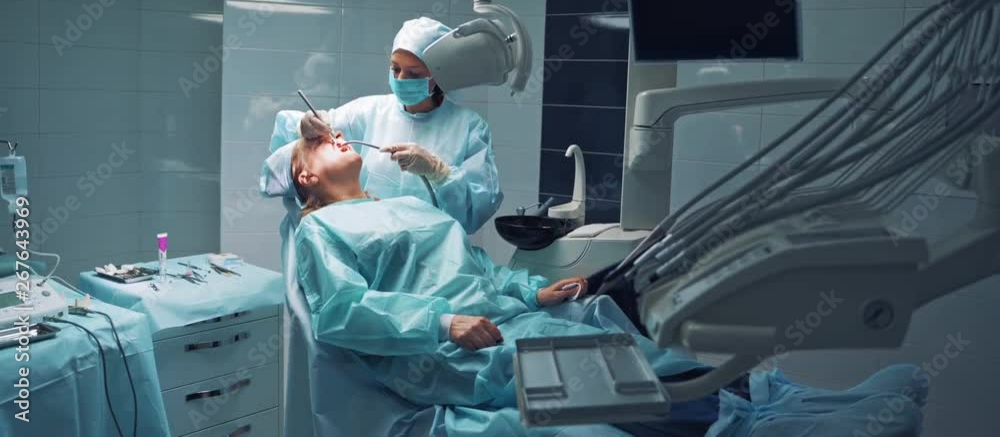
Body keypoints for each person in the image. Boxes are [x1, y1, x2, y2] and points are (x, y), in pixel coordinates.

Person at [283, 114, 928, 437]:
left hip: (514, 320)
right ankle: (782, 423)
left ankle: (789, 399)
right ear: (305, 177)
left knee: (651, 273)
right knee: (609, 373)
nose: (339, 136)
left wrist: (531, 290)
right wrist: (443, 322)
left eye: (338, 131)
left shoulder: (407, 202)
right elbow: (342, 314)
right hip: (457, 358)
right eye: (321, 141)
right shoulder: (320, 232)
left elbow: (475, 267)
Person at [321, 16, 502, 234]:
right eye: (395, 68)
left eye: (414, 73)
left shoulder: (469, 128)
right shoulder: (368, 112)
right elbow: (305, 147)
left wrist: (440, 172)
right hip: (372, 247)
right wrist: (309, 124)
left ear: (439, 74)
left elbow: (477, 210)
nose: (401, 78)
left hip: (434, 254)